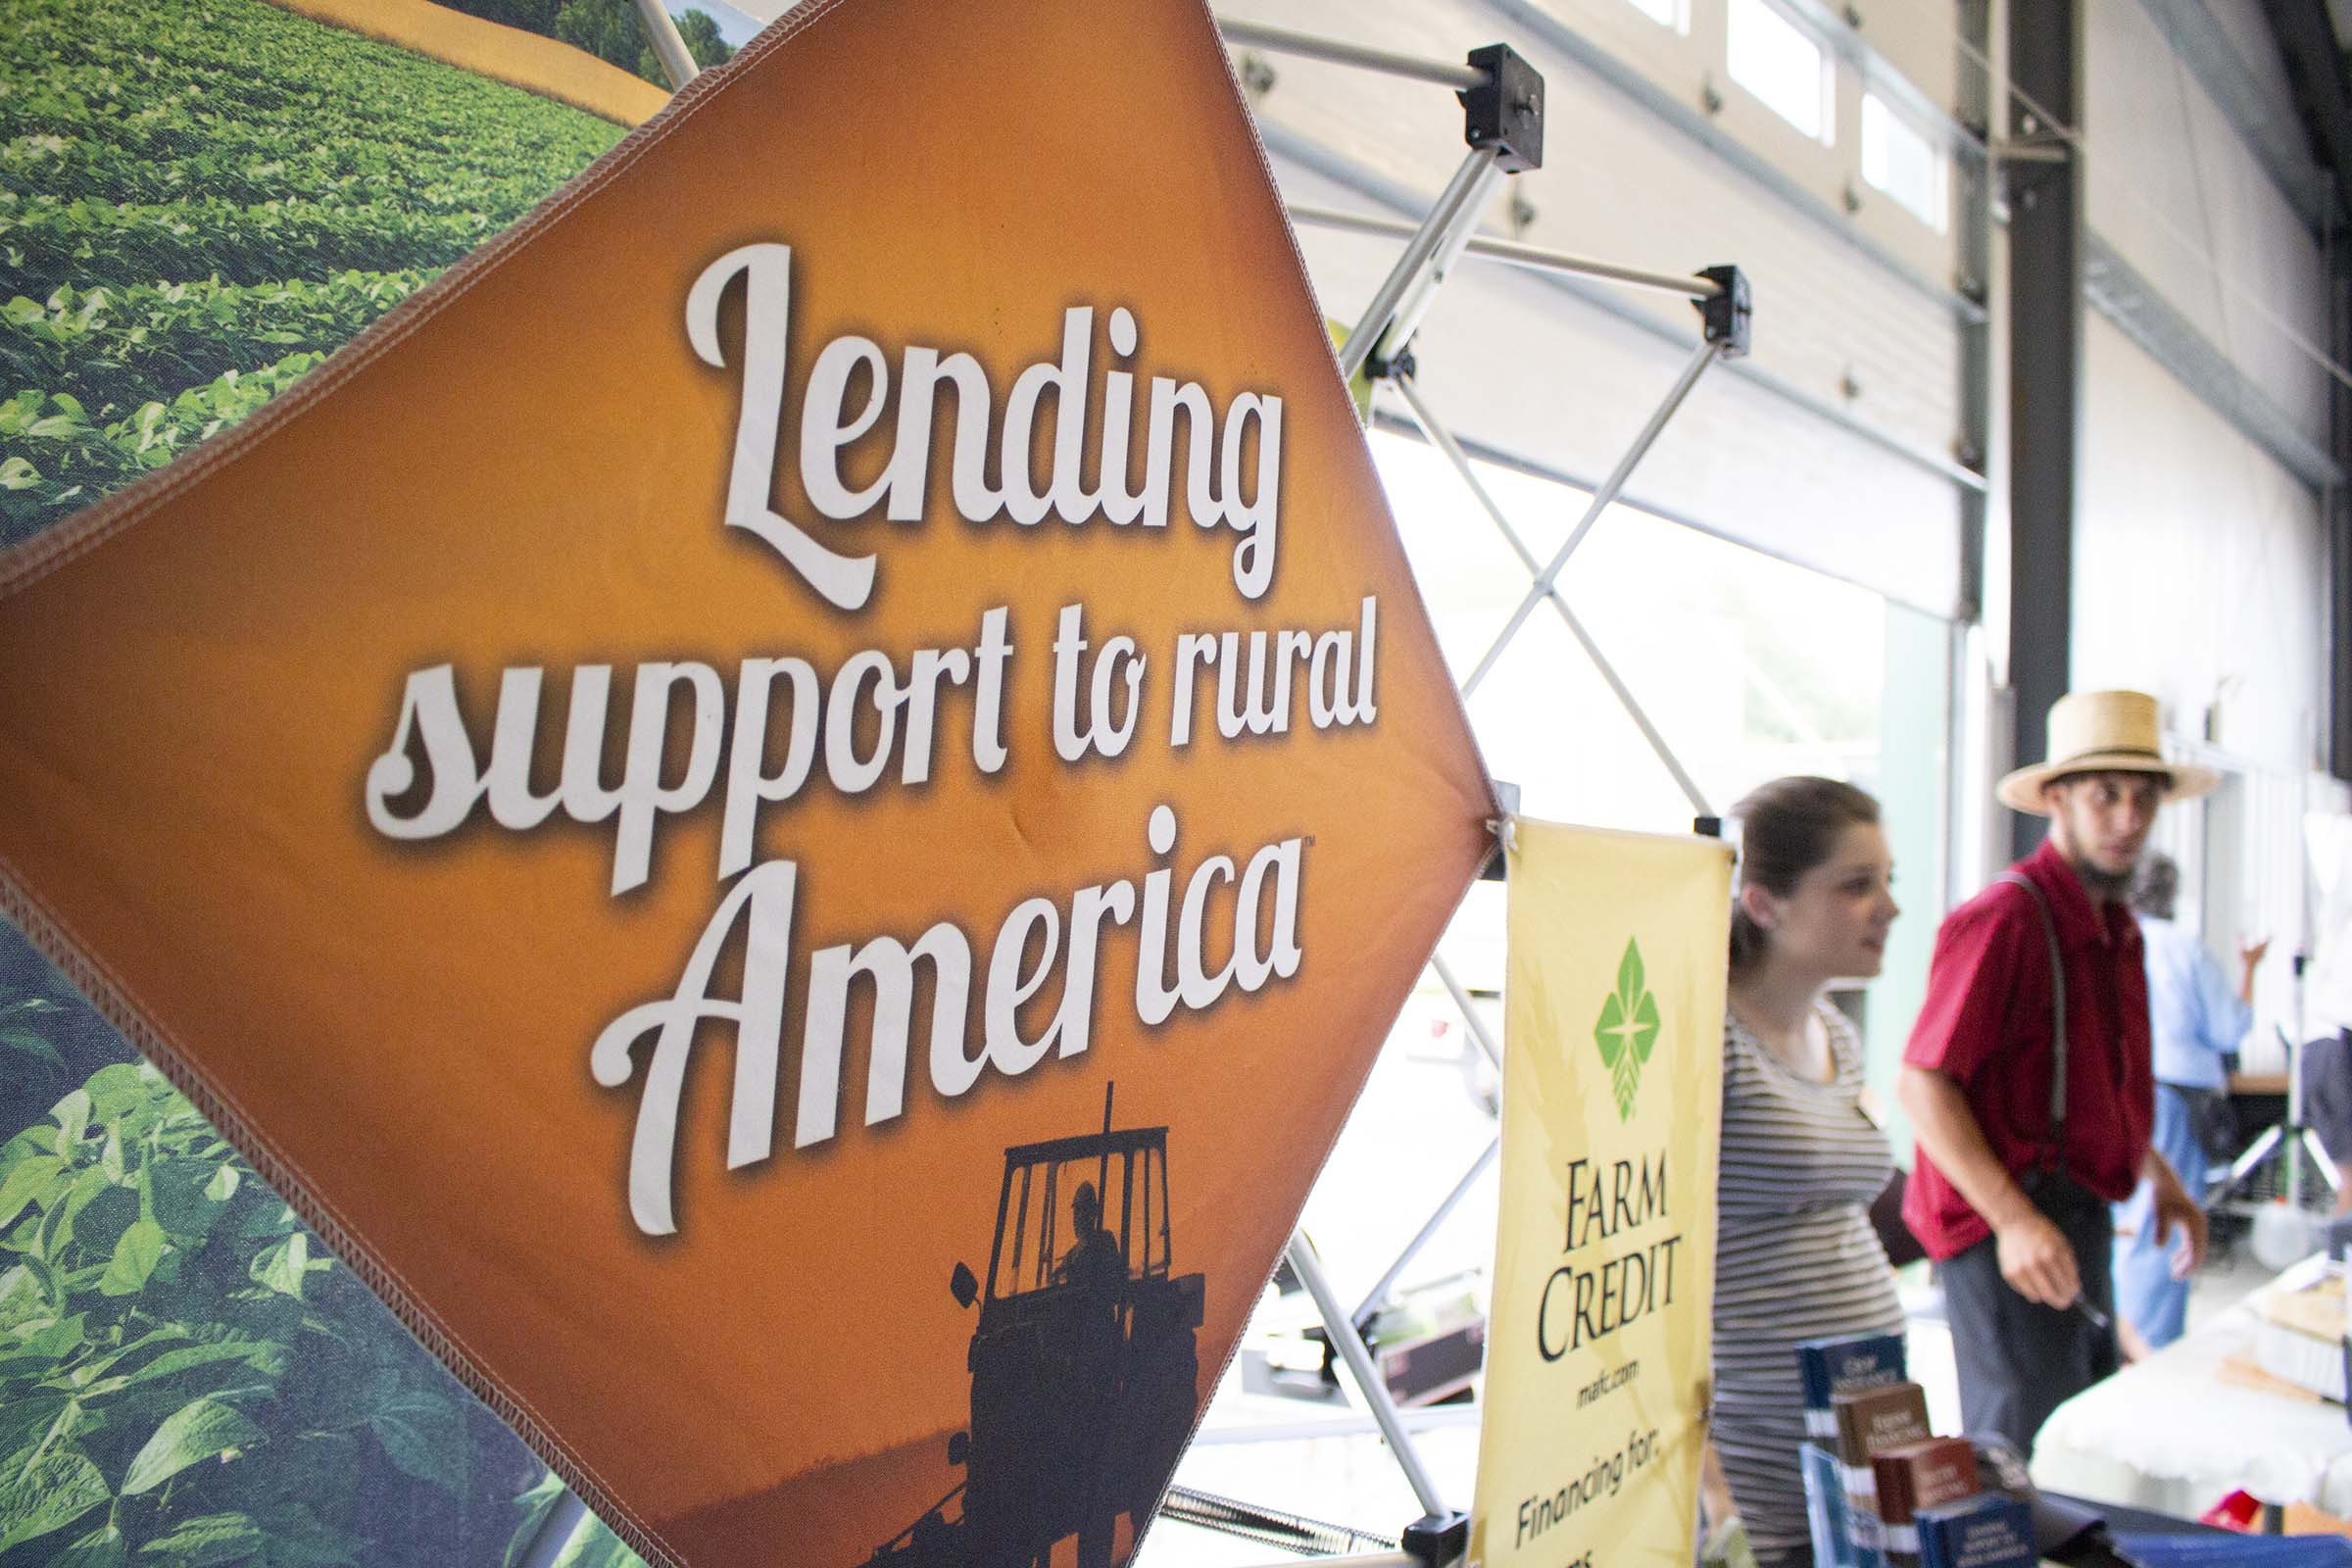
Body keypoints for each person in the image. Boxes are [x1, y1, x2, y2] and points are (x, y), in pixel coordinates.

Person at [1897, 690, 2214, 1454]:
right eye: (2106, 794)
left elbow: (2092, 1086)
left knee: (2080, 1437)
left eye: (2144, 798)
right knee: (2022, 1452)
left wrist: (2157, 1171)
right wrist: (2013, 1221)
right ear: (2056, 800)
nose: (2128, 818)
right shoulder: (2006, 918)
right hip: (2004, 1223)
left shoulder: (2116, 927)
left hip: (2078, 1212)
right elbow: (1922, 1084)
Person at [1707, 776, 1904, 1568]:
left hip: (1862, 1445)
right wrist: (1708, 1484)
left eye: (1888, 881)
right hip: (1757, 1458)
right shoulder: (1709, 1039)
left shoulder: (1836, 1035)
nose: (1889, 908)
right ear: (1764, 903)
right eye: (1857, 886)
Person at [2112, 854, 2263, 1348]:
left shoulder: (2111, 940)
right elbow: (2229, 1027)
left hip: (2117, 1087)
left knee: (2124, 1223)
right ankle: (2150, 1350)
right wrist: (2250, 969)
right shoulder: (2184, 948)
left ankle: (2118, 1344)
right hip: (2174, 1093)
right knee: (2161, 1226)